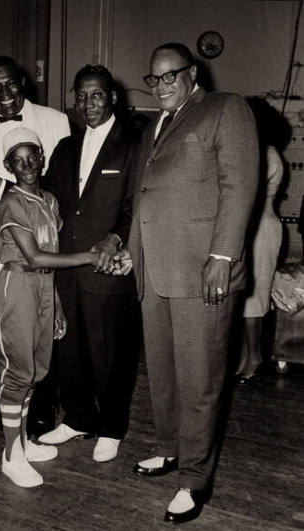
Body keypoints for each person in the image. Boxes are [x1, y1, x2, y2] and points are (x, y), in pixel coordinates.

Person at [120, 43, 259, 523]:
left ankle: (196, 478)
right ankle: (169, 448)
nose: (161, 85)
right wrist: (130, 251)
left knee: (200, 379)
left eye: (170, 76)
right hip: (155, 270)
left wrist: (222, 256)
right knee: (162, 372)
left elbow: (239, 185)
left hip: (202, 270)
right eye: (153, 79)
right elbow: (146, 196)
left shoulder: (225, 109)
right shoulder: (153, 124)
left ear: (192, 73)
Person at [0, 56, 70, 436]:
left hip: (42, 249)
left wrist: (1, 192)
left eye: (10, 84)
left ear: (24, 82)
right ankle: (3, 408)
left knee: (42, 338)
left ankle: (39, 408)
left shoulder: (56, 121)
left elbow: (54, 189)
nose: (3, 94)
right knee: (2, 338)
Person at [37, 65, 138, 464]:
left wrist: (115, 238)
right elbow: (45, 199)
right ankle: (79, 417)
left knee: (112, 352)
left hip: (109, 269)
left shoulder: (134, 142)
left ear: (112, 97)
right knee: (71, 350)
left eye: (96, 95)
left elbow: (138, 205)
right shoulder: (65, 147)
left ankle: (112, 426)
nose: (88, 103)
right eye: (81, 96)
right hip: (67, 268)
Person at [0, 127, 101, 488]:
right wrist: (90, 256)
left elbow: (49, 262)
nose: (27, 165)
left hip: (42, 287)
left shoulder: (51, 202)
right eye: (18, 161)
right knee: (17, 370)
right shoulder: (11, 202)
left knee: (37, 370)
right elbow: (35, 256)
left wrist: (56, 305)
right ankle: (11, 455)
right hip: (18, 285)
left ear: (42, 159)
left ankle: (22, 441)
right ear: (8, 166)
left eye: (32, 157)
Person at [236, 98, 284, 381]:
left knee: (254, 298)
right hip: (249, 228)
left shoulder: (267, 154)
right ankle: (246, 355)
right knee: (244, 298)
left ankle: (255, 357)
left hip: (262, 229)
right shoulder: (251, 152)